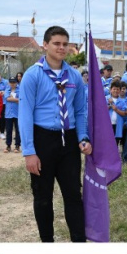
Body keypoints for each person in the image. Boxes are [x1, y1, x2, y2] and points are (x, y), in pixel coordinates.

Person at [19, 26, 90, 242]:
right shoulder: (33, 75)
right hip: (43, 140)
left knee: (73, 196)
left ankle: (79, 241)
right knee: (43, 197)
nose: (61, 48)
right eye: (57, 43)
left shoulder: (75, 76)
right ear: (45, 45)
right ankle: (47, 241)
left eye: (65, 44)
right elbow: (25, 114)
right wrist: (29, 151)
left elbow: (80, 110)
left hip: (68, 141)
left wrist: (83, 137)